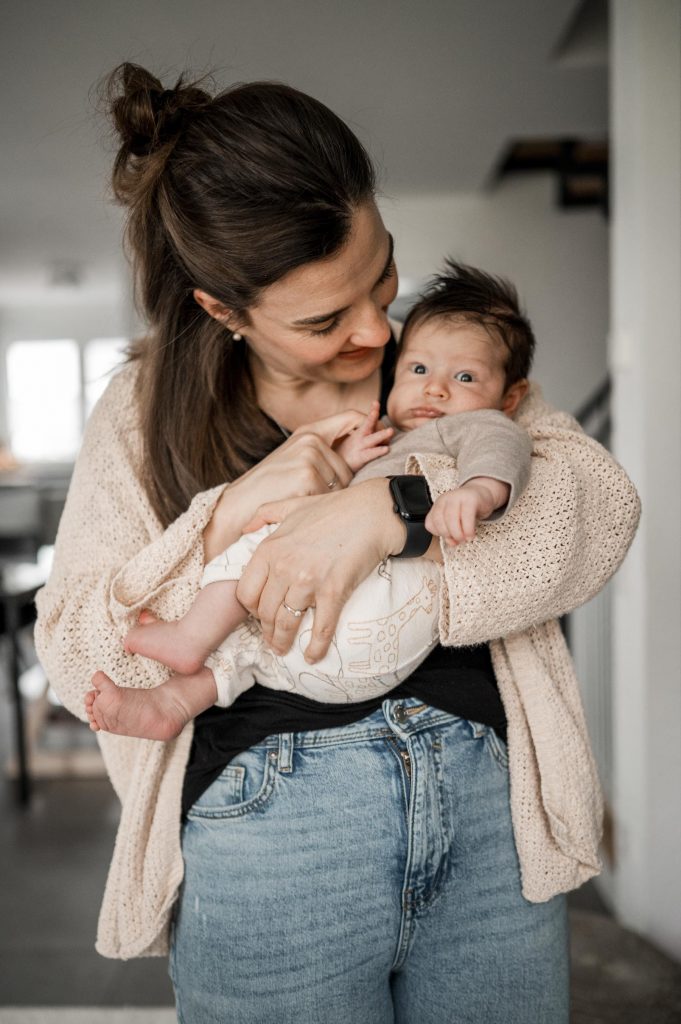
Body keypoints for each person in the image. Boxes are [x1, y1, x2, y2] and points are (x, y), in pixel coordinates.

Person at [34, 63, 640, 1024]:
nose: (374, 331)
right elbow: (79, 652)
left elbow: (596, 507)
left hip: (489, 822)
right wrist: (225, 515)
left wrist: (385, 512)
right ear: (222, 311)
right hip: (274, 835)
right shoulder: (141, 413)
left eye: (383, 275)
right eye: (324, 320)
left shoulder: (440, 364)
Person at [83, 262, 533, 740]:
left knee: (266, 537)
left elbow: (504, 451)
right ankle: (173, 701)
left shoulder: (471, 424)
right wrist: (343, 464)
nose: (435, 387)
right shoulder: (391, 436)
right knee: (252, 646)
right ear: (226, 311)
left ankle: (193, 634)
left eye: (465, 378)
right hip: (324, 656)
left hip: (386, 625)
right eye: (418, 369)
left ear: (510, 398)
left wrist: (477, 492)